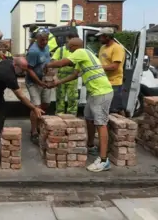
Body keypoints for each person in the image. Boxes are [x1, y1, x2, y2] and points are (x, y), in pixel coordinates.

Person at [46, 38, 113, 172]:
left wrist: (46, 65)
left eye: (69, 47)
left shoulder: (81, 52)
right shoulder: (84, 56)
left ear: (75, 46)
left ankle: (104, 160)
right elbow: (75, 75)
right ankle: (90, 146)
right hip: (94, 92)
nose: (68, 49)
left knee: (101, 123)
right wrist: (58, 83)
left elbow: (62, 63)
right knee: (88, 118)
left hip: (101, 92)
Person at [0, 57, 44, 135]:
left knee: (2, 112)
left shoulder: (8, 62)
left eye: (25, 70)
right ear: (15, 65)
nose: (23, 72)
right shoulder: (9, 75)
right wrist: (34, 108)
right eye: (22, 70)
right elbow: (21, 96)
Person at [26, 29, 51, 144]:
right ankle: (34, 131)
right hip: (33, 81)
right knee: (36, 106)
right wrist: (39, 82)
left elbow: (47, 62)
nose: (44, 42)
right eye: (42, 40)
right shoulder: (33, 51)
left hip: (44, 80)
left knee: (46, 103)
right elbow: (29, 69)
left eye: (46, 39)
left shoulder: (46, 47)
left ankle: (40, 124)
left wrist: (50, 76)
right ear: (37, 39)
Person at [97, 28, 125, 115]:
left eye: (101, 37)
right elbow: (101, 62)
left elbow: (114, 66)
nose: (99, 39)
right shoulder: (103, 47)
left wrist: (96, 68)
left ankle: (123, 126)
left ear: (107, 37)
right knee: (105, 108)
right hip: (104, 81)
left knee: (115, 109)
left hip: (114, 82)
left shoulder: (117, 48)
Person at [51, 32, 79, 115]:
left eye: (68, 41)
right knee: (60, 98)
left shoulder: (78, 51)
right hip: (61, 77)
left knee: (73, 98)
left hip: (72, 78)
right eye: (67, 41)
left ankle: (72, 116)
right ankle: (59, 116)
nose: (67, 43)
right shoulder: (60, 50)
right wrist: (55, 76)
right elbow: (54, 63)